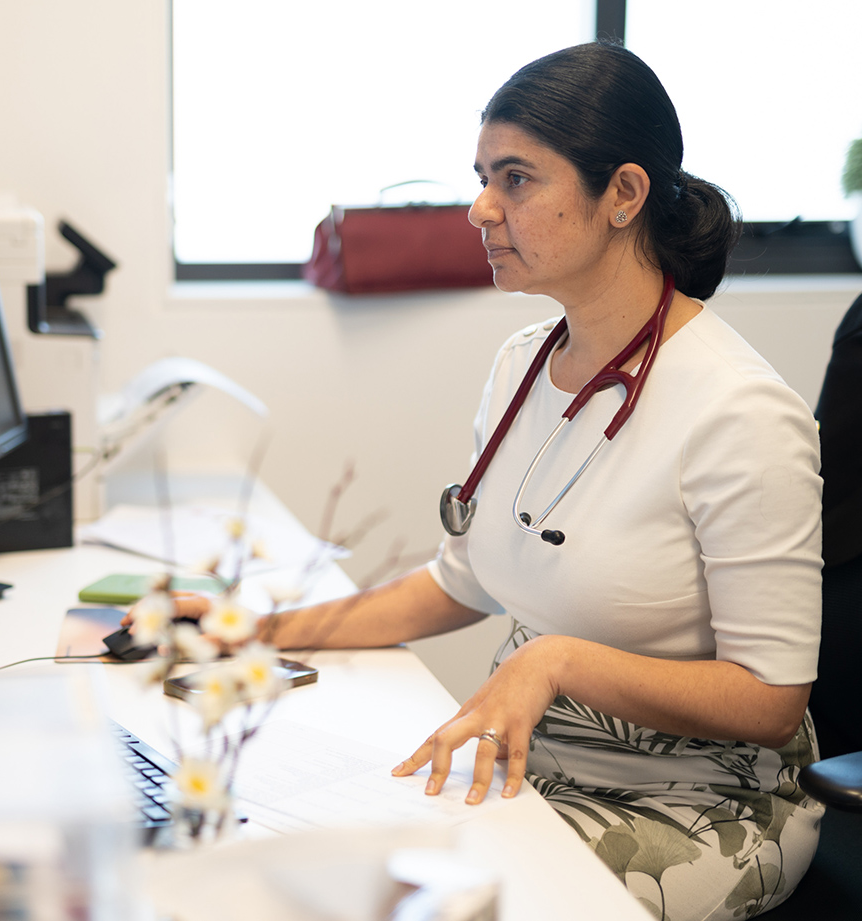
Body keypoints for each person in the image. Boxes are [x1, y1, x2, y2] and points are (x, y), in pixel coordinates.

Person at [146, 42, 824, 920]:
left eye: (516, 179)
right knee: (276, 856)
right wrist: (258, 631)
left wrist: (555, 659)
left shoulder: (740, 411)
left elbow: (771, 701)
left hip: (701, 804)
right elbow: (456, 583)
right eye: (482, 176)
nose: (480, 208)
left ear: (623, 194)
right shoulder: (522, 366)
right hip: (529, 768)